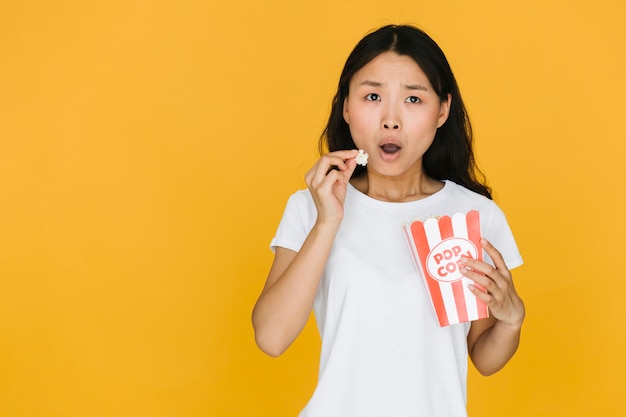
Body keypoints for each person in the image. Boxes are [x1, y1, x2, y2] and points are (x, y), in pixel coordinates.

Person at [252, 24, 525, 417]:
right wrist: (328, 221)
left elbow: (484, 358)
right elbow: (271, 337)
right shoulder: (310, 208)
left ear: (442, 110)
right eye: (373, 96)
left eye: (413, 98)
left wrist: (512, 320)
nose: (390, 119)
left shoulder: (475, 215)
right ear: (346, 106)